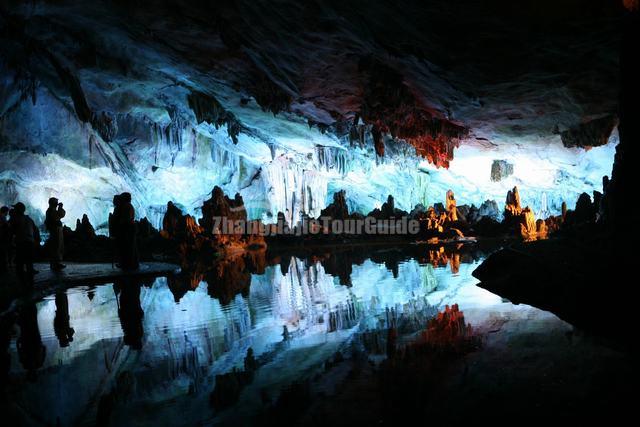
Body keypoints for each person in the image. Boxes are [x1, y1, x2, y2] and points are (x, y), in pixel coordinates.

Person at [9, 202, 40, 280]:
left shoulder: (15, 219)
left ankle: (21, 281)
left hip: (21, 242)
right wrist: (37, 240)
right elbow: (36, 230)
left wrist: (10, 240)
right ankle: (30, 279)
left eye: (15, 208)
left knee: (20, 262)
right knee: (29, 260)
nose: (14, 210)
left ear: (17, 210)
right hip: (30, 242)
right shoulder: (28, 219)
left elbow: (11, 231)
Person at [114, 192, 139, 270]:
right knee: (129, 247)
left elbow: (125, 219)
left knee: (128, 248)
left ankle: (128, 264)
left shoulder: (126, 207)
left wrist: (119, 225)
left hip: (128, 229)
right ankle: (130, 264)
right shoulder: (128, 206)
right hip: (129, 228)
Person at [45, 197, 66, 271]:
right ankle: (55, 263)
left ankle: (56, 263)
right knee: (56, 246)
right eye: (56, 202)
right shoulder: (51, 211)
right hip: (55, 230)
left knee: (58, 245)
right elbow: (60, 215)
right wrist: (60, 208)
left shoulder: (51, 210)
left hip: (56, 230)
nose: (57, 204)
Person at [0, 206, 9, 273]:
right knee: (3, 253)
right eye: (7, 212)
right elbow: (6, 226)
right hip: (2, 237)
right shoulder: (2, 216)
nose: (7, 213)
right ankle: (4, 268)